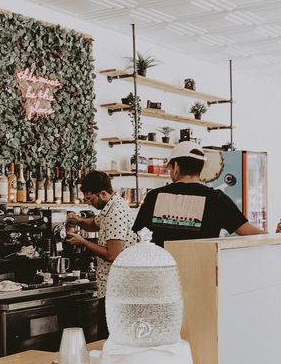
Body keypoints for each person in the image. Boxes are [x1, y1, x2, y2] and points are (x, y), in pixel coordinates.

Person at [132, 142, 264, 246]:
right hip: (202, 273)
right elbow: (250, 233)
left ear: (176, 167)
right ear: (201, 168)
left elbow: (137, 235)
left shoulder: (154, 196)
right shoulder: (217, 199)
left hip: (163, 273)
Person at [66, 170, 136, 339]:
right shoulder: (110, 206)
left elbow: (113, 254)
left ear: (103, 193)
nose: (90, 203)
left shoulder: (115, 213)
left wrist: (83, 242)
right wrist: (79, 220)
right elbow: (94, 224)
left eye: (90, 199)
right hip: (111, 286)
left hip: (117, 288)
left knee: (109, 339)